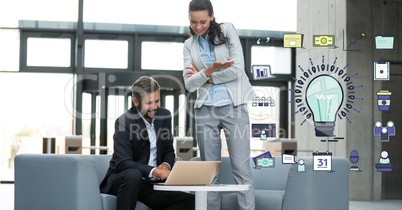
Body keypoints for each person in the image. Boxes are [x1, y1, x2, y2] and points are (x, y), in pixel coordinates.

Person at [183, 0, 256, 209]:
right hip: (205, 110)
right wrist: (210, 70)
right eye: (193, 22)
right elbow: (188, 84)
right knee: (209, 172)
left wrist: (206, 76)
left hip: (234, 107)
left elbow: (237, 70)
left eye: (203, 21)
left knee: (241, 170)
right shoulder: (189, 45)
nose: (198, 27)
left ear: (212, 16)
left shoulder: (227, 31)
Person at [99, 76, 195, 210]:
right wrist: (154, 171)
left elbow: (168, 150)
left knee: (191, 202)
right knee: (133, 175)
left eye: (157, 101)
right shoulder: (124, 122)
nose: (155, 107)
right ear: (136, 101)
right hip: (124, 181)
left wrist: (165, 165)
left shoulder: (165, 116)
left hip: (149, 185)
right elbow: (123, 163)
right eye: (149, 103)